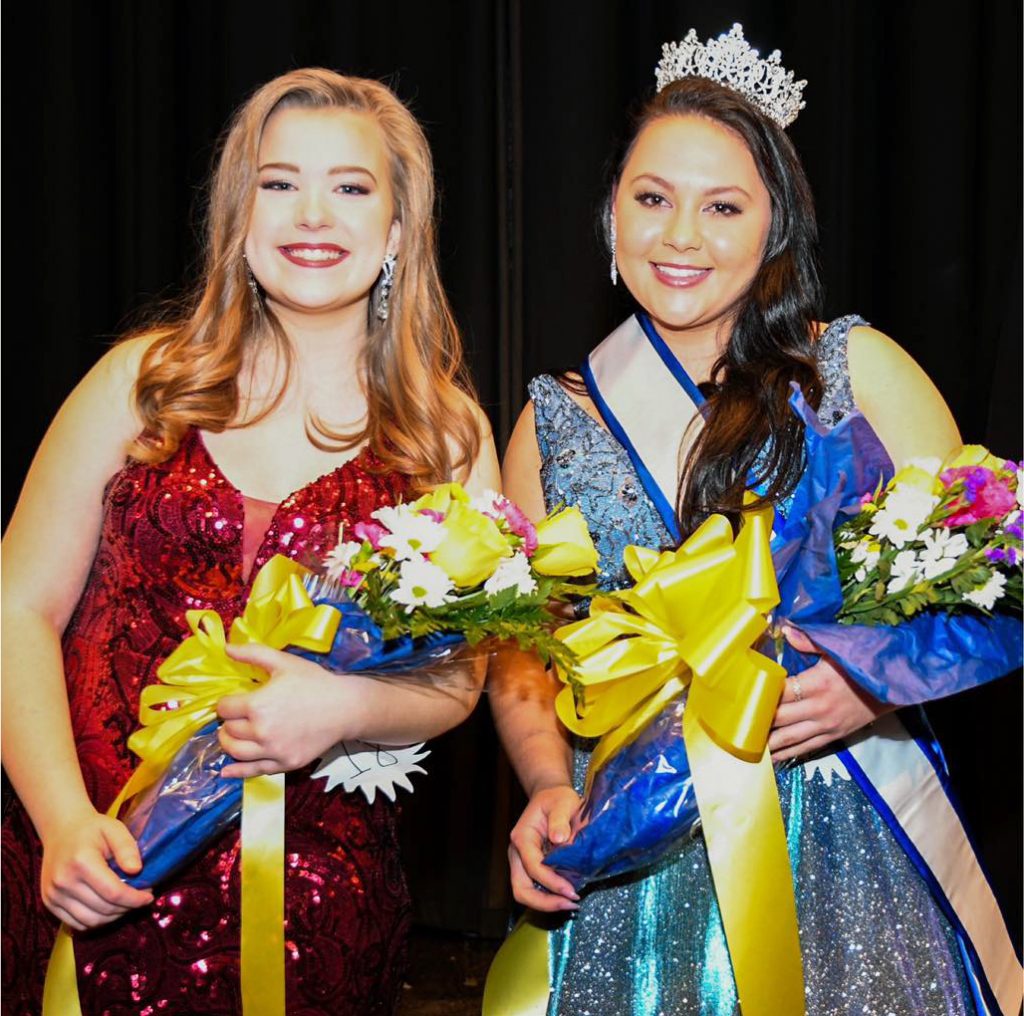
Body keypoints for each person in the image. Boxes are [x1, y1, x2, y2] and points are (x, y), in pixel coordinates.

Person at [489, 26, 1020, 1016]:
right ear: (610, 216)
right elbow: (525, 651)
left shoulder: (854, 371)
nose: (680, 237)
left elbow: (995, 569)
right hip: (634, 838)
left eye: (723, 206)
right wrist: (544, 783)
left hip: (840, 824)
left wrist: (870, 677)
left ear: (776, 227)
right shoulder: (550, 421)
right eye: (652, 199)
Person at [1, 67, 499, 1014]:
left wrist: (345, 705)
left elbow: (461, 682)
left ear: (398, 230)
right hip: (88, 866)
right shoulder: (141, 384)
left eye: (350, 187)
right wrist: (61, 818)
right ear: (239, 213)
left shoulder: (444, 437)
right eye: (279, 182)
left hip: (316, 901)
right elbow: (17, 607)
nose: (312, 214)